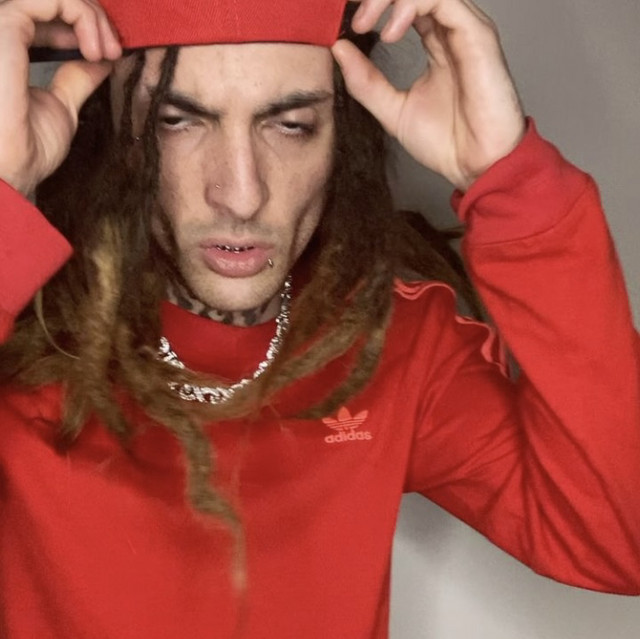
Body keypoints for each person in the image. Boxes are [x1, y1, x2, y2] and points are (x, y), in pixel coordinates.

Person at [0, 0, 638, 637]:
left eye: (291, 125)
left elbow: (619, 541)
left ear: (342, 135)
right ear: (115, 129)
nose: (241, 194)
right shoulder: (24, 328)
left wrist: (512, 180)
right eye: (177, 121)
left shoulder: (392, 339)